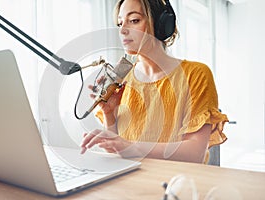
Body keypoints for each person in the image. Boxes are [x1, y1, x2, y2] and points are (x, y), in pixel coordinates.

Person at [80, 0, 228, 164]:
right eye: (120, 23)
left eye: (134, 20)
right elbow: (118, 150)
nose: (122, 30)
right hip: (132, 180)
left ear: (160, 24)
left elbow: (194, 153)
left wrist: (130, 146)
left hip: (176, 183)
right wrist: (109, 115)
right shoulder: (122, 77)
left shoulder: (196, 74)